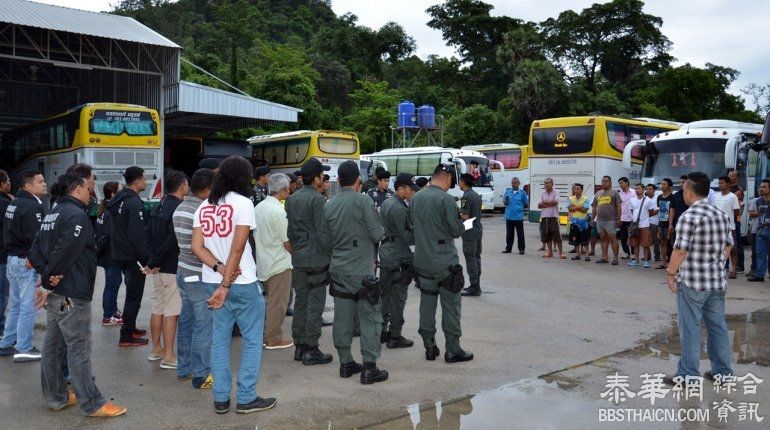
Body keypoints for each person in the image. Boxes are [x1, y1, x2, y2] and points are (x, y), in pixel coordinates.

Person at [29, 173, 127, 417]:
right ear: (76, 189)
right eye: (87, 187)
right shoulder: (76, 214)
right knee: (79, 348)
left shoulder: (52, 212)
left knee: (53, 347)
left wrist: (47, 276)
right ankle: (92, 403)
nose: (90, 191)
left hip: (59, 294)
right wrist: (49, 277)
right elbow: (66, 250)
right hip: (72, 293)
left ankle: (56, 397)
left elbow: (35, 251)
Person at [191, 156, 276, 414]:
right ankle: (247, 397)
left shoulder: (204, 206)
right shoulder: (243, 203)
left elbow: (196, 247)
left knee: (219, 341)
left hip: (211, 281)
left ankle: (220, 398)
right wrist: (226, 282)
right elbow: (238, 247)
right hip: (241, 283)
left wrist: (218, 270)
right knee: (251, 341)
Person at [322, 160, 389, 384]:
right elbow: (377, 234)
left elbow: (326, 241)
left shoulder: (329, 204)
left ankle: (345, 363)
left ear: (339, 181)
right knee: (370, 317)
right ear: (358, 180)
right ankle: (370, 367)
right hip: (362, 272)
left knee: (342, 318)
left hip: (339, 270)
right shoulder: (363, 201)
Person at [663, 171, 733, 386]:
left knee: (690, 328)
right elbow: (729, 244)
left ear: (689, 192)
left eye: (683, 189)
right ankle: (723, 373)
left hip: (693, 283)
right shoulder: (720, 214)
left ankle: (688, 375)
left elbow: (680, 251)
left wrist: (670, 273)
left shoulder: (689, 216)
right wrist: (718, 263)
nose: (682, 192)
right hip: (716, 282)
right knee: (717, 327)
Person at [412, 163, 473, 364]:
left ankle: (429, 346)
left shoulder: (415, 198)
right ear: (446, 178)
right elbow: (456, 230)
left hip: (422, 261)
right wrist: (466, 222)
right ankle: (453, 349)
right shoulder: (445, 200)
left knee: (427, 303)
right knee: (451, 306)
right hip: (445, 263)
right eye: (450, 183)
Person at [285, 158, 334, 366]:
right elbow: (324, 234)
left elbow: (290, 233)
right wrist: (330, 256)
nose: (323, 178)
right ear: (316, 179)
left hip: (298, 259)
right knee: (315, 305)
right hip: (316, 259)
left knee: (301, 303)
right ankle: (311, 348)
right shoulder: (318, 200)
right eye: (322, 175)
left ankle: (300, 346)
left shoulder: (292, 199)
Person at [173, 168, 215, 389]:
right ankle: (201, 375)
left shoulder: (180, 207)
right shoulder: (203, 211)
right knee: (203, 325)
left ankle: (184, 369)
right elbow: (204, 246)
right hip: (198, 275)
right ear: (207, 190)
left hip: (183, 271)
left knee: (187, 322)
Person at [0, 170, 47, 362]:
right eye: (40, 181)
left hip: (13, 259)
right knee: (29, 307)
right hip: (26, 262)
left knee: (18, 305)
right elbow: (36, 238)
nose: (44, 184)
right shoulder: (31, 207)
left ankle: (6, 343)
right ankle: (24, 348)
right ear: (29, 186)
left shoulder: (15, 202)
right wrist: (40, 261)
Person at [146, 171, 188, 368]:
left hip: (158, 266)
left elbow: (149, 234)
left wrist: (152, 261)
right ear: (182, 186)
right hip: (171, 265)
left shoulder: (158, 205)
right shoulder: (178, 208)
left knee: (159, 306)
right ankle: (169, 356)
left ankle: (156, 349)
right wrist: (158, 260)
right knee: (172, 309)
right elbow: (172, 240)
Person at [108, 166, 150, 347]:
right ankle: (126, 336)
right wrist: (147, 259)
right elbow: (138, 235)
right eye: (145, 179)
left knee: (132, 294)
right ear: (138, 181)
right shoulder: (133, 203)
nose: (146, 182)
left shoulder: (119, 198)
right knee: (134, 296)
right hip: (133, 257)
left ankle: (130, 327)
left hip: (120, 254)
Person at [378, 172, 419, 348]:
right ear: (401, 189)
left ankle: (382, 330)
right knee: (398, 296)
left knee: (385, 295)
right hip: (398, 256)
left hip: (387, 254)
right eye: (410, 189)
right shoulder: (399, 208)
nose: (412, 192)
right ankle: (395, 335)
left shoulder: (387, 202)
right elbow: (407, 236)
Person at [254, 173, 294, 350]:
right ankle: (273, 338)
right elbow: (287, 242)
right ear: (284, 190)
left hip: (263, 260)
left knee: (270, 302)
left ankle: (266, 335)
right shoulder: (278, 211)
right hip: (279, 263)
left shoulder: (259, 207)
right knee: (278, 304)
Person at [95, 181, 124, 326]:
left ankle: (113, 310)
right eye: (120, 191)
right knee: (112, 285)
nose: (123, 192)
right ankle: (108, 316)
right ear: (113, 194)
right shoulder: (110, 212)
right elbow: (107, 235)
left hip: (108, 255)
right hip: (111, 255)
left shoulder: (104, 209)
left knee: (115, 282)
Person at [459, 174, 483, 296]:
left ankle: (474, 286)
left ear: (463, 182)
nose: (459, 184)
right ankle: (476, 283)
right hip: (478, 230)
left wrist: (456, 213)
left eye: (460, 181)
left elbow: (465, 216)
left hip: (469, 231)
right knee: (477, 257)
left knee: (470, 259)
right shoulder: (476, 195)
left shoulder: (466, 196)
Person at [712, 176, 740, 279]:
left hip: (729, 227)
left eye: (722, 183)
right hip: (717, 227)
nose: (720, 185)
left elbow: (736, 212)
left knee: (732, 249)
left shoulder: (733, 197)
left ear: (728, 184)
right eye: (719, 183)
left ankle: (733, 270)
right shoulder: (715, 196)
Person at [591, 175, 621, 265]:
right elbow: (594, 207)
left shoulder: (614, 193)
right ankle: (605, 257)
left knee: (613, 239)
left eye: (606, 181)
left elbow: (618, 207)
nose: (604, 183)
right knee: (603, 239)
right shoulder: (598, 193)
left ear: (610, 183)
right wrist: (592, 219)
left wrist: (618, 219)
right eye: (603, 181)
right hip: (600, 220)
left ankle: (615, 258)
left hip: (611, 220)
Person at [628, 184, 656, 268]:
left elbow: (651, 212)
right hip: (635, 225)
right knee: (635, 244)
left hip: (645, 225)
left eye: (638, 188)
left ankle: (646, 261)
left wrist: (644, 218)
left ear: (643, 190)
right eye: (635, 188)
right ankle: (636, 260)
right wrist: (635, 221)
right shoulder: (632, 200)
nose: (637, 190)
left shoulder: (648, 200)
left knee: (645, 244)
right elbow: (632, 211)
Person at [748, 180, 770, 282]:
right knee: (760, 253)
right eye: (761, 187)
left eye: (764, 187)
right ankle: (760, 275)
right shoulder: (758, 201)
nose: (761, 189)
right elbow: (755, 214)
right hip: (761, 229)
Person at [0, 170, 12, 337]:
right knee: (2, 294)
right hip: (2, 256)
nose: (10, 183)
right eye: (8, 180)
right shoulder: (4, 203)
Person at [538, 178, 563, 259]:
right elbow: (539, 205)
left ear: (552, 184)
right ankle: (550, 252)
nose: (546, 185)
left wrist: (545, 203)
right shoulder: (542, 193)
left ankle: (561, 253)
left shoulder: (556, 192)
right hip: (544, 217)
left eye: (548, 183)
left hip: (553, 216)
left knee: (557, 235)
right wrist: (549, 204)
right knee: (547, 235)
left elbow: (555, 202)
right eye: (545, 183)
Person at [502, 177, 527, 255]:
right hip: (509, 216)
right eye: (512, 183)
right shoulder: (508, 192)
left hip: (518, 217)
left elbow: (525, 203)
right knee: (509, 234)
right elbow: (505, 204)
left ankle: (521, 249)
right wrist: (506, 201)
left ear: (518, 183)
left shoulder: (522, 193)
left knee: (520, 234)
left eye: (515, 183)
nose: (513, 184)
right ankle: (508, 248)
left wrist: (519, 208)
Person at [567, 184, 591, 261]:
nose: (576, 191)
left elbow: (585, 210)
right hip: (574, 223)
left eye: (578, 189)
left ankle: (587, 255)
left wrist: (575, 207)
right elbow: (570, 209)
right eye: (575, 189)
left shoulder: (586, 199)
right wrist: (579, 206)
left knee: (585, 240)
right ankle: (578, 255)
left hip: (583, 223)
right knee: (575, 240)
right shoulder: (570, 198)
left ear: (581, 190)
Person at [728, 170, 745, 272]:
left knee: (736, 243)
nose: (730, 178)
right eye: (729, 176)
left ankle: (740, 266)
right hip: (725, 220)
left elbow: (731, 202)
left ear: (737, 178)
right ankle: (725, 265)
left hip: (735, 220)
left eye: (732, 176)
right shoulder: (726, 189)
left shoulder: (738, 190)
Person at [656, 178, 674, 269]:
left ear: (669, 186)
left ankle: (672, 262)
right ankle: (663, 262)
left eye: (664, 184)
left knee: (671, 243)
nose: (662, 186)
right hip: (661, 223)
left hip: (670, 224)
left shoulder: (673, 197)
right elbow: (660, 211)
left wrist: (671, 224)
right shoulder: (659, 197)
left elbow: (673, 211)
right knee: (662, 243)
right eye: (661, 184)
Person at [617, 177, 634, 259]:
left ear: (627, 182)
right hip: (622, 218)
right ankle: (627, 253)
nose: (620, 184)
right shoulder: (619, 194)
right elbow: (617, 207)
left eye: (622, 182)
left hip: (632, 218)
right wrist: (618, 218)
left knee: (633, 237)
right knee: (623, 237)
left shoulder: (634, 192)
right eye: (619, 183)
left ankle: (634, 254)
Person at [670, 175, 690, 245]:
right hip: (677, 224)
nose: (681, 184)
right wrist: (670, 224)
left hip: (689, 224)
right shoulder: (676, 195)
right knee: (677, 244)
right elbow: (672, 210)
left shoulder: (693, 195)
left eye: (683, 182)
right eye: (680, 182)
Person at [645, 184, 661, 262]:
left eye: (650, 189)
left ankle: (657, 256)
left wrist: (645, 214)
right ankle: (647, 255)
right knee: (646, 239)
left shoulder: (657, 198)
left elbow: (655, 211)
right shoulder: (645, 198)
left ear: (654, 190)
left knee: (655, 240)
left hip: (654, 221)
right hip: (645, 222)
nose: (648, 190)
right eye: (647, 189)